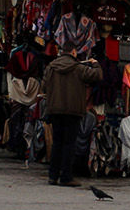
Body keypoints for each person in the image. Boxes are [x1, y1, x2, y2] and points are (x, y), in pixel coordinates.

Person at [42, 52, 101, 186]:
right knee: (69, 144)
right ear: (73, 52)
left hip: (55, 110)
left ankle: (53, 176)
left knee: (57, 143)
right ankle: (66, 177)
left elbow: (44, 87)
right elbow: (98, 75)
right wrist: (95, 63)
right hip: (73, 111)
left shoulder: (51, 68)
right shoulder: (79, 68)